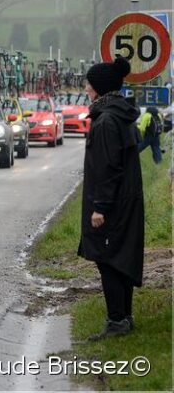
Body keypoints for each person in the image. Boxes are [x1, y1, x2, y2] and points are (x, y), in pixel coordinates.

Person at [79, 57, 144, 340]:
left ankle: (117, 320)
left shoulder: (106, 121)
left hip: (112, 204)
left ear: (100, 88)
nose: (85, 88)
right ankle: (124, 317)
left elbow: (108, 167)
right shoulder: (120, 114)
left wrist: (100, 207)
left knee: (108, 260)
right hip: (126, 201)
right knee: (120, 258)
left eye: (89, 84)